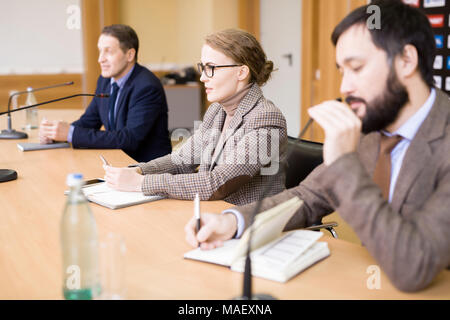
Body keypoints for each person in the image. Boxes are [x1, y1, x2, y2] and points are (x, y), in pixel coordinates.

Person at [185, 0, 450, 292]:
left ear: (406, 61)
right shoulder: (373, 129)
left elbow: (413, 267)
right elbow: (307, 197)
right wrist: (233, 222)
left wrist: (343, 164)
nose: (345, 87)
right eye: (341, 71)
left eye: (357, 68)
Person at [103, 29, 287, 206]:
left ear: (241, 72)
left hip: (247, 225)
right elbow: (182, 160)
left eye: (211, 68)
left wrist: (141, 183)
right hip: (212, 214)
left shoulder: (266, 118)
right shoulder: (217, 110)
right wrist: (138, 171)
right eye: (203, 68)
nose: (202, 78)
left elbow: (217, 184)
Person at [39, 24, 171, 162]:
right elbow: (89, 121)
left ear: (130, 55)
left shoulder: (147, 87)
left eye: (108, 51)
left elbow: (129, 139)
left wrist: (71, 134)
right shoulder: (105, 81)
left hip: (146, 167)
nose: (100, 59)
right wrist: (56, 133)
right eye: (100, 51)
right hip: (117, 160)